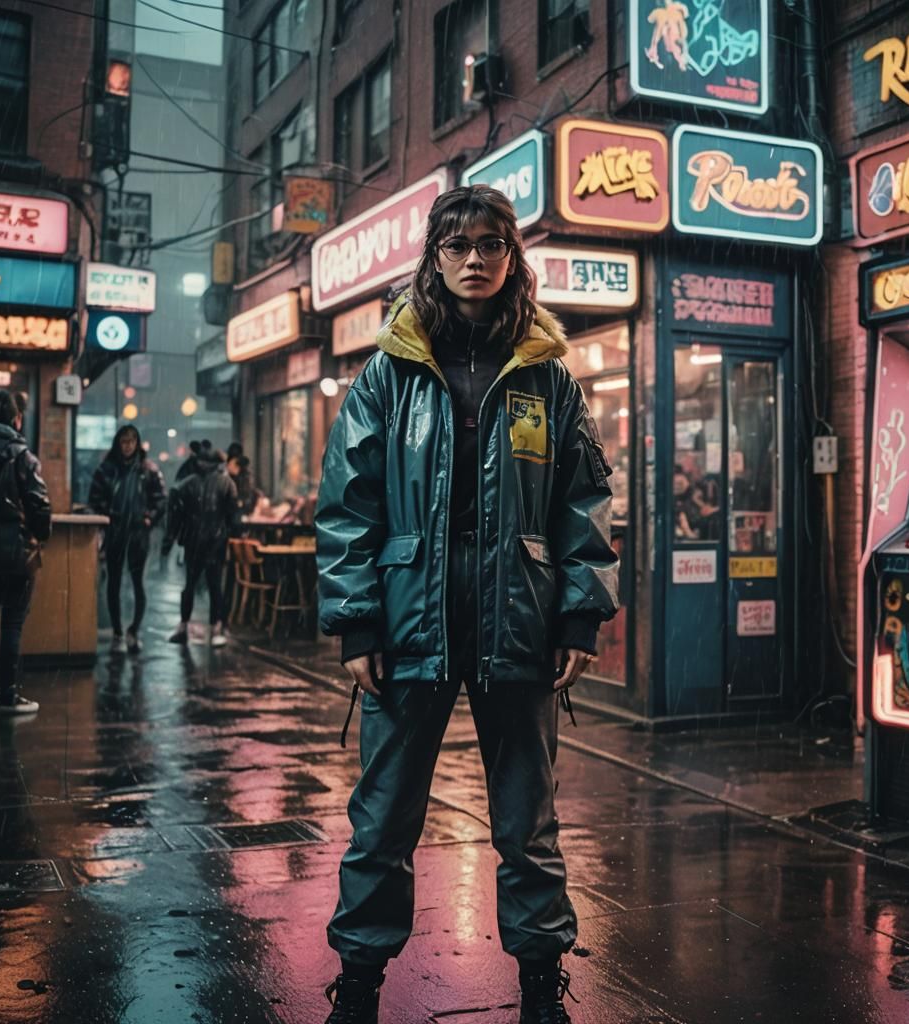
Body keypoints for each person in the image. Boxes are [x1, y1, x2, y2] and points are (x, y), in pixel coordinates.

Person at [316, 185, 620, 1024]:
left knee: (529, 821)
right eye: (458, 246)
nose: (475, 259)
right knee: (382, 820)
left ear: (512, 256)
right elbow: (349, 502)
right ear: (434, 258)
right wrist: (356, 622)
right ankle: (361, 985)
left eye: (491, 243)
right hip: (409, 620)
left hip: (517, 619)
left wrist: (580, 616)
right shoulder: (390, 371)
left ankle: (538, 986)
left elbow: (583, 500)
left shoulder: (546, 376)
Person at [0, 390, 52, 716]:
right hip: (14, 554)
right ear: (14, 419)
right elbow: (39, 504)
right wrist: (40, 534)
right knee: (12, 625)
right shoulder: (22, 456)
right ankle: (8, 695)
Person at [88, 425, 167, 654]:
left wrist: (149, 518)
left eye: (132, 441)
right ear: (118, 443)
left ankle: (134, 631)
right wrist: (107, 517)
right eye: (124, 441)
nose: (128, 446)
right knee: (113, 583)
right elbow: (95, 498)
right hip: (114, 532)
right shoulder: (107, 469)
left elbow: (161, 500)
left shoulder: (148, 470)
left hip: (138, 533)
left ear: (137, 443)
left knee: (137, 583)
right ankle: (117, 632)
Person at [163, 445, 239, 647]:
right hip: (213, 541)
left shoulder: (188, 484)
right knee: (212, 585)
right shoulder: (225, 483)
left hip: (196, 541)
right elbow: (233, 516)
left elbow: (176, 512)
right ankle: (214, 627)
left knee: (192, 585)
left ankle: (186, 626)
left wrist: (171, 538)